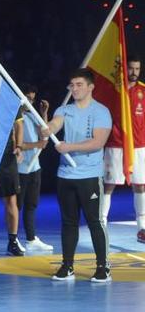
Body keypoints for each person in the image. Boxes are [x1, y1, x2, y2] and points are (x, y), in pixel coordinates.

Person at [41, 68, 112, 282]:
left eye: (79, 84)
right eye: (71, 85)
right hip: (66, 175)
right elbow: (54, 125)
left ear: (90, 87)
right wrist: (48, 130)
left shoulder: (101, 112)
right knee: (68, 222)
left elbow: (98, 142)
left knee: (94, 221)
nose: (74, 88)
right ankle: (67, 265)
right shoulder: (64, 110)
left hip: (89, 175)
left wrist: (69, 147)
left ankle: (103, 267)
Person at [103, 56, 145, 243]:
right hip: (116, 144)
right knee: (109, 185)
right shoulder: (113, 91)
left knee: (140, 185)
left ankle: (142, 227)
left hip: (139, 146)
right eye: (131, 68)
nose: (134, 72)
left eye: (137, 68)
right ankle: (101, 223)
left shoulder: (143, 91)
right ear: (125, 69)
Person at [17, 84, 53, 252]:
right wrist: (37, 144)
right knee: (16, 206)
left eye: (32, 99)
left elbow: (44, 134)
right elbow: (17, 145)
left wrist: (44, 113)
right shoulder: (14, 118)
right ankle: (14, 239)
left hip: (34, 167)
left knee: (32, 204)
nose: (30, 102)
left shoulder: (32, 116)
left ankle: (31, 238)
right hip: (20, 169)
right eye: (27, 99)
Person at [0, 108, 25, 256]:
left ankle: (12, 241)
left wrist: (18, 146)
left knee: (11, 200)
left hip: (7, 156)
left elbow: (19, 125)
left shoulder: (10, 100)